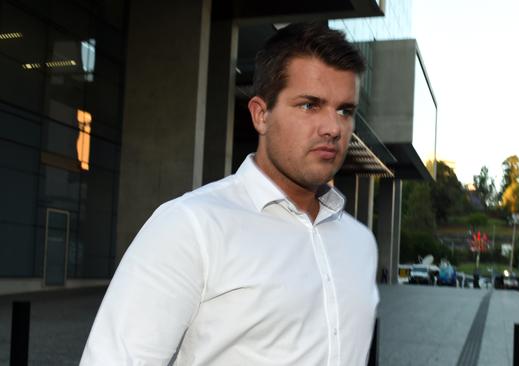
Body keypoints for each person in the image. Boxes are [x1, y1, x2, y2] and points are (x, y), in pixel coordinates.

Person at [81, 23, 379, 365]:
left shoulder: (360, 244)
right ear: (261, 114)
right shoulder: (191, 227)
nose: (333, 128)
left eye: (345, 111)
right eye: (310, 105)